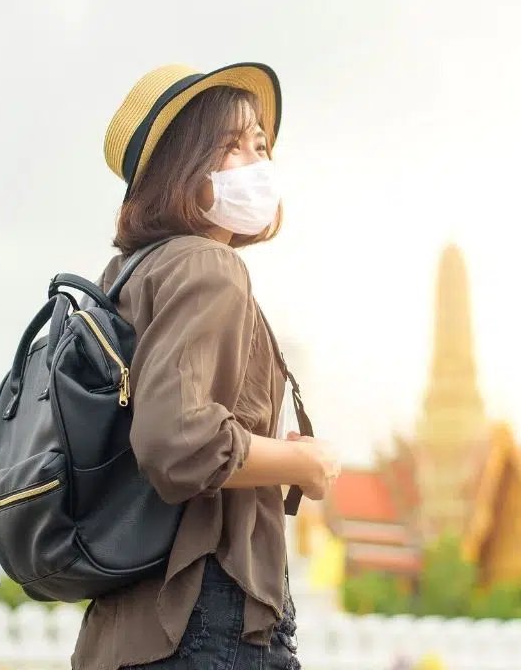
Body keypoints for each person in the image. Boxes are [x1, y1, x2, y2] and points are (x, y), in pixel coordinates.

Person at [71, 63, 340, 670]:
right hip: (205, 622)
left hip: (129, 621)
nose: (257, 162)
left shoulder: (127, 275)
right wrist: (304, 462)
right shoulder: (208, 268)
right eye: (229, 146)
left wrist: (259, 452)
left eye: (261, 145)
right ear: (181, 169)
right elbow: (176, 444)